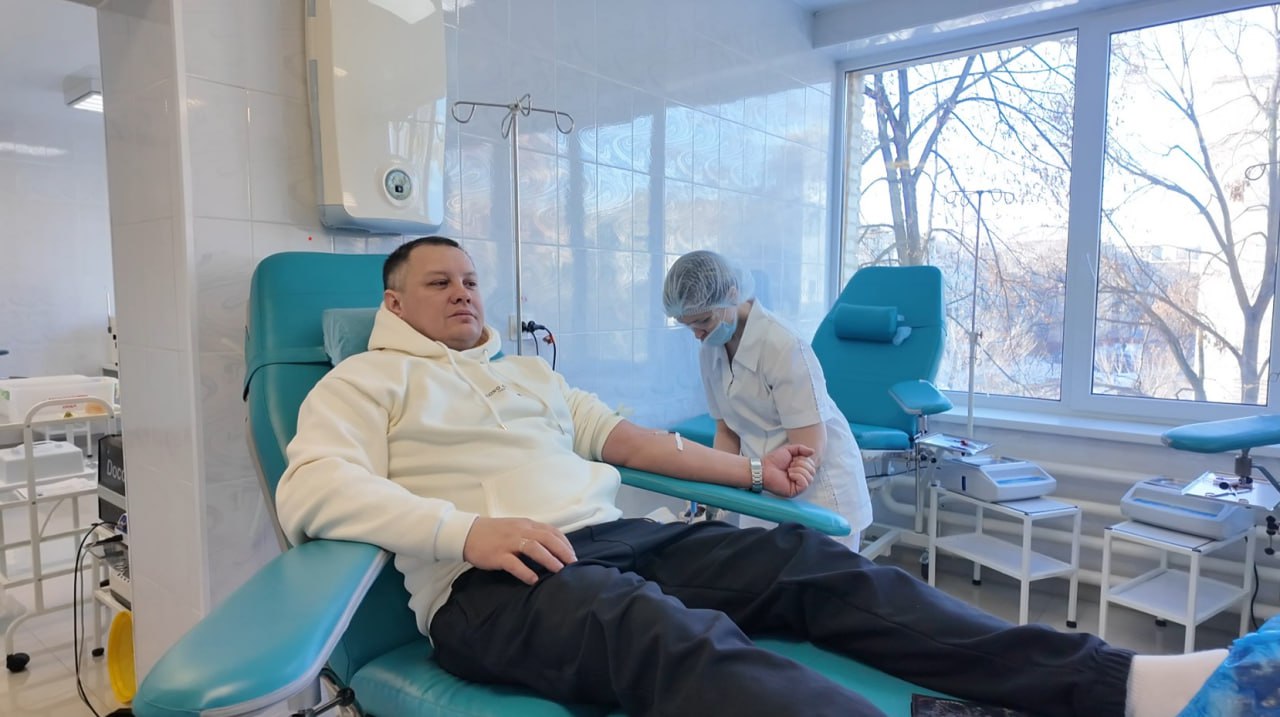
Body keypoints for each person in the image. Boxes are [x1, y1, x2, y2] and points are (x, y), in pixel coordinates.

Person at [277, 235, 1246, 717]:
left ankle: (1118, 683)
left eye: (470, 279)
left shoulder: (526, 374)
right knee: (661, 630)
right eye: (438, 282)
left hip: (611, 539)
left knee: (811, 564)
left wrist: (752, 468)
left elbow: (632, 443)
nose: (463, 292)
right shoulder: (363, 383)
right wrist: (464, 531)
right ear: (392, 303)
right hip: (493, 583)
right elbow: (309, 490)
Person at [663, 250, 871, 549]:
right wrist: (716, 492)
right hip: (764, 485)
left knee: (819, 577)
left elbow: (810, 446)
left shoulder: (782, 345)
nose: (698, 334)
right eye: (689, 326)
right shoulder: (710, 349)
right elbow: (727, 431)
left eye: (704, 321)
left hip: (818, 491)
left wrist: (768, 480)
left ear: (732, 294)